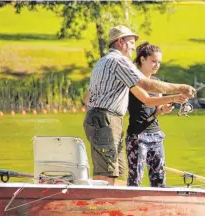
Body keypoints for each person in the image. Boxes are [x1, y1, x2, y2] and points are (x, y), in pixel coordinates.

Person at [83, 25, 195, 185]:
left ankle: (112, 205)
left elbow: (86, 97)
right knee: (106, 171)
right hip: (106, 120)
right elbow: (145, 85)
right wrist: (181, 89)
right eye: (131, 43)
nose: (133, 48)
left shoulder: (102, 61)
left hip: (104, 119)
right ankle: (98, 206)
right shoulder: (118, 61)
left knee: (116, 171)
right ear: (120, 41)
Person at [126, 42, 178, 187]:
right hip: (137, 136)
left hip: (156, 135)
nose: (157, 65)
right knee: (135, 179)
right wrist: (174, 97)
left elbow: (157, 107)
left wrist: (163, 109)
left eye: (159, 62)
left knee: (159, 179)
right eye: (153, 61)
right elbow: (148, 101)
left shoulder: (157, 82)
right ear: (142, 59)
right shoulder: (133, 80)